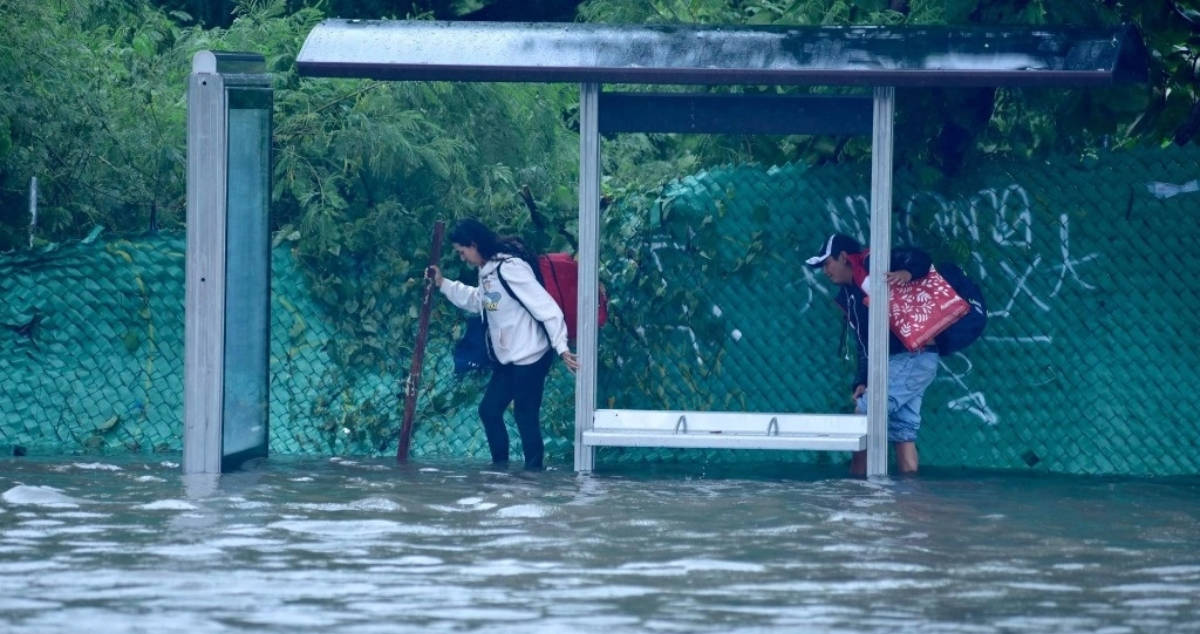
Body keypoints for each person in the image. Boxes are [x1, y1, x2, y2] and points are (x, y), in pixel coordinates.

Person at [428, 218, 579, 470]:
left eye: (462, 251)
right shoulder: (486, 270)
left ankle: (533, 478)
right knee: (489, 410)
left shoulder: (510, 268)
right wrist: (443, 284)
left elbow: (546, 308)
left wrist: (561, 346)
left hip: (531, 355)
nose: (462, 257)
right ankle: (500, 472)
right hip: (508, 358)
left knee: (525, 415)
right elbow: (482, 301)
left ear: (474, 244)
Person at [807, 233, 939, 476]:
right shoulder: (849, 294)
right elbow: (864, 343)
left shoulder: (872, 265)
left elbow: (921, 258)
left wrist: (906, 274)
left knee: (864, 417)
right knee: (903, 432)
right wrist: (862, 380)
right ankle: (909, 498)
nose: (825, 271)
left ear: (844, 257)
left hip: (911, 356)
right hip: (908, 360)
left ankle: (858, 494)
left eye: (827, 263)